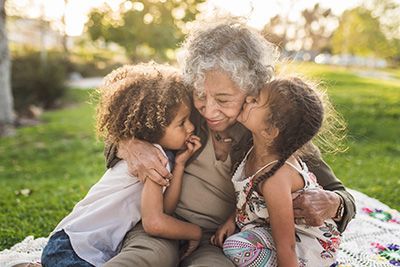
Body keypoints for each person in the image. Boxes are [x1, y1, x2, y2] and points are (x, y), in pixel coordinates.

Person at [104, 17, 355, 267]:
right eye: (201, 94)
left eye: (223, 100)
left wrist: (334, 204)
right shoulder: (184, 110)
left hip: (221, 241)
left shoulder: (273, 132)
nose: (208, 110)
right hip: (166, 227)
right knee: (140, 259)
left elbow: (342, 196)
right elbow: (130, 125)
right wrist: (129, 144)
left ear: (251, 91)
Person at [41, 63, 202, 267]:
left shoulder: (165, 156)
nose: (191, 126)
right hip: (72, 248)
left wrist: (179, 166)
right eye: (182, 122)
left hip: (82, 245)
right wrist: (195, 232)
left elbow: (164, 210)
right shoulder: (153, 158)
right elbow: (154, 223)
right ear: (153, 128)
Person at [213, 77, 341, 266]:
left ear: (270, 131)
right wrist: (232, 220)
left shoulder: (276, 179)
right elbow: (247, 197)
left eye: (255, 101)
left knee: (236, 246)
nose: (248, 99)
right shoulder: (254, 151)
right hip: (272, 230)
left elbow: (286, 246)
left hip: (306, 246)